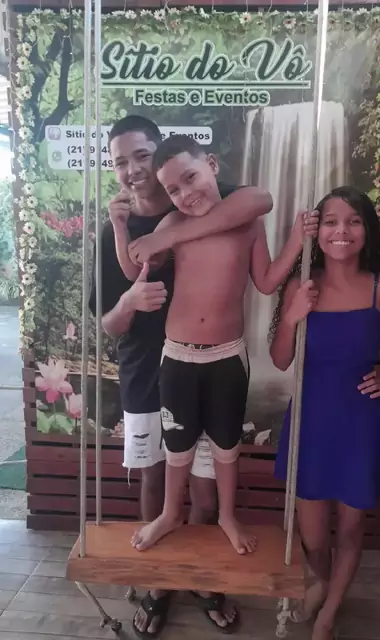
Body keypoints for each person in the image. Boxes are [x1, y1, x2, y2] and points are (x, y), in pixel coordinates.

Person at [90, 115, 275, 638]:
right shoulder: (120, 226)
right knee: (156, 479)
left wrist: (177, 232)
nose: (133, 169)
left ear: (162, 155)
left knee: (207, 488)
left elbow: (259, 201)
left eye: (140, 155)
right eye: (120, 162)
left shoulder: (206, 197)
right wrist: (130, 297)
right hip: (148, 369)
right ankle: (158, 586)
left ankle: (202, 580)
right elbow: (108, 322)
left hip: (214, 360)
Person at [114, 134, 319, 555]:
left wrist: (297, 241)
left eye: (191, 178)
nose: (186, 194)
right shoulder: (172, 225)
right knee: (177, 443)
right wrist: (121, 229)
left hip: (227, 355)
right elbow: (137, 267)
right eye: (174, 189)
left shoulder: (248, 223)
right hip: (178, 355)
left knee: (226, 443)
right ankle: (170, 512)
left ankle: (227, 515)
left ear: (211, 164)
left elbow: (266, 282)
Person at [270, 186, 380, 640]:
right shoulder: (302, 284)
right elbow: (280, 360)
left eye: (354, 221)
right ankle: (319, 584)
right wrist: (292, 316)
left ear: (367, 230)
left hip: (360, 421)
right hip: (311, 421)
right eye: (331, 222)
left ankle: (328, 613)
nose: (342, 230)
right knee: (314, 537)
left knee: (352, 529)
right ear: (317, 232)